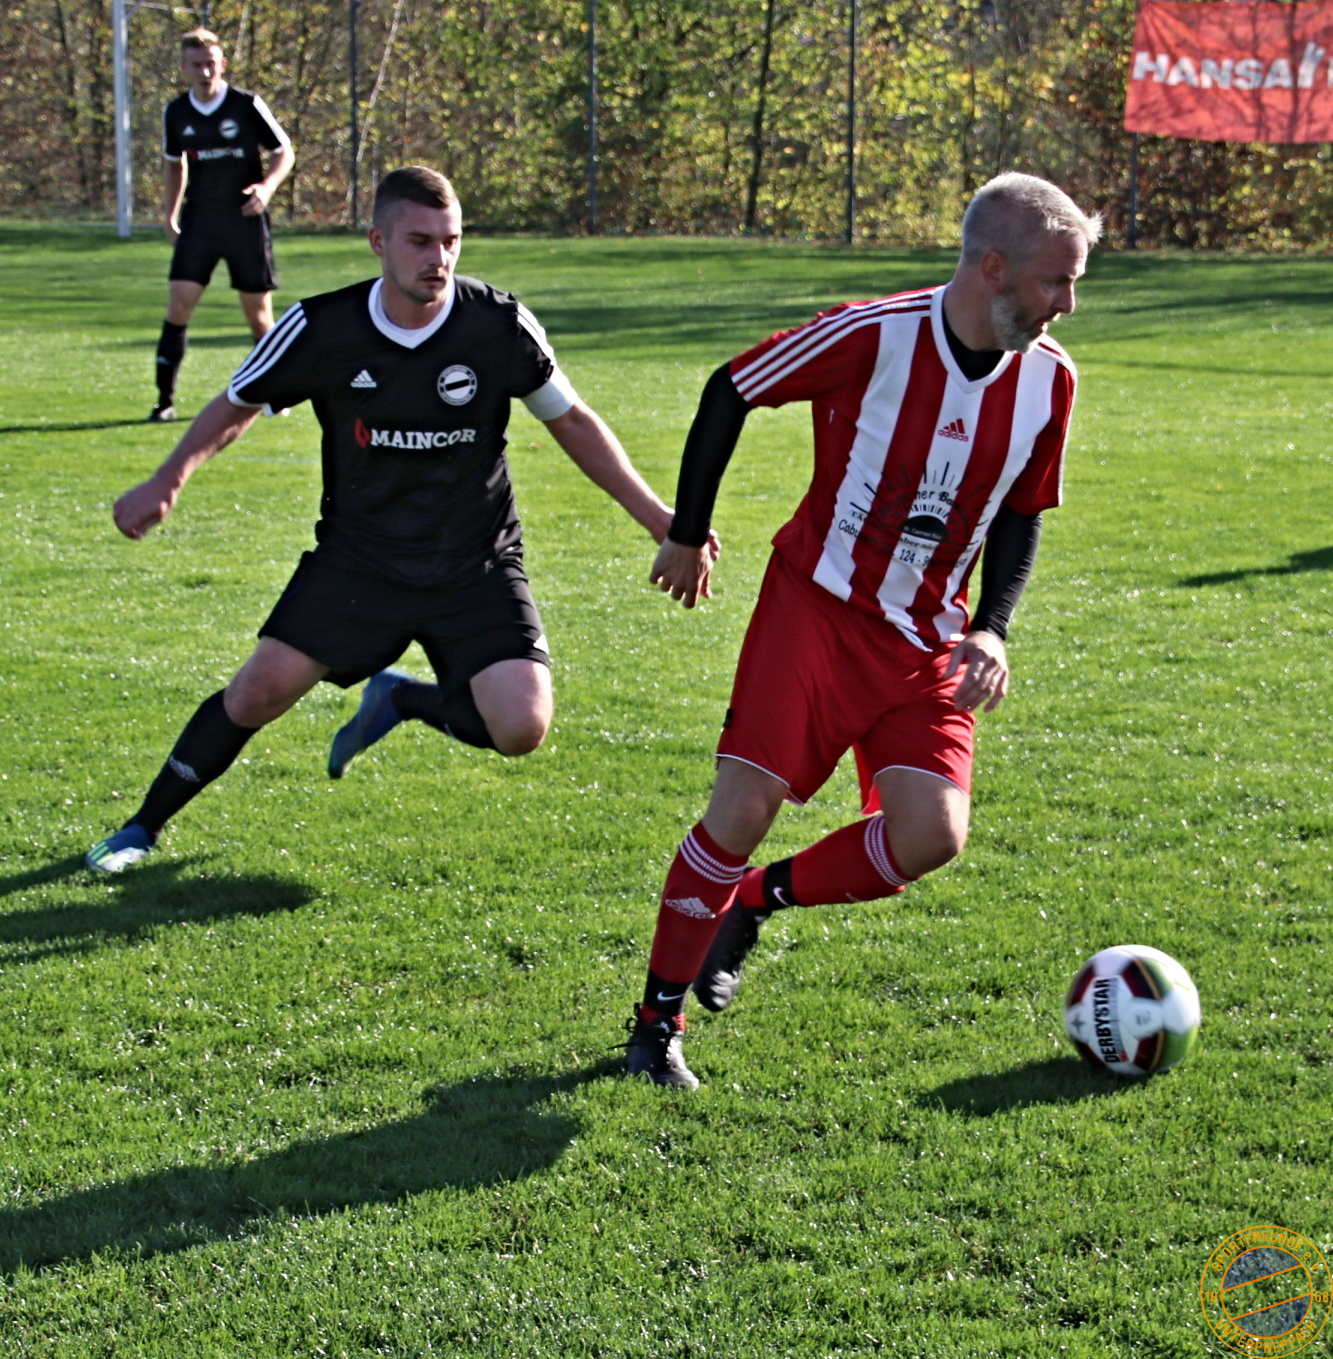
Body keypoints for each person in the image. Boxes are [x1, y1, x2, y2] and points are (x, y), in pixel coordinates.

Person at [87, 165, 709, 874]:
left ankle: (403, 699)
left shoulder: (497, 323)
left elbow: (571, 421)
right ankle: (140, 827)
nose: (438, 258)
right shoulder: (321, 327)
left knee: (521, 727)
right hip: (360, 563)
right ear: (378, 241)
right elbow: (238, 403)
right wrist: (167, 479)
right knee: (256, 692)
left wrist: (662, 519)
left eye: (451, 241)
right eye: (420, 241)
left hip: (474, 563)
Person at [622, 172, 1102, 1088]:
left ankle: (751, 901)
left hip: (926, 639)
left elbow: (1020, 510)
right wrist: (686, 531)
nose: (1066, 306)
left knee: (930, 834)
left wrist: (992, 629)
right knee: (740, 810)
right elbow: (731, 387)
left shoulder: (1050, 381)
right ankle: (654, 1025)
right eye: (1055, 281)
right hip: (815, 610)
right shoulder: (872, 334)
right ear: (992, 269)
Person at [150, 28, 295, 423]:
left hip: (244, 222)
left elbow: (284, 151)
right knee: (178, 304)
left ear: (223, 64)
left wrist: (266, 188)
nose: (205, 71)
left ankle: (276, 391)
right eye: (196, 65)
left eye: (211, 63)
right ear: (183, 68)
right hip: (200, 223)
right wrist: (170, 214)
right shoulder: (176, 112)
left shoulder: (246, 105)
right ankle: (164, 402)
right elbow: (174, 163)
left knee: (258, 316)